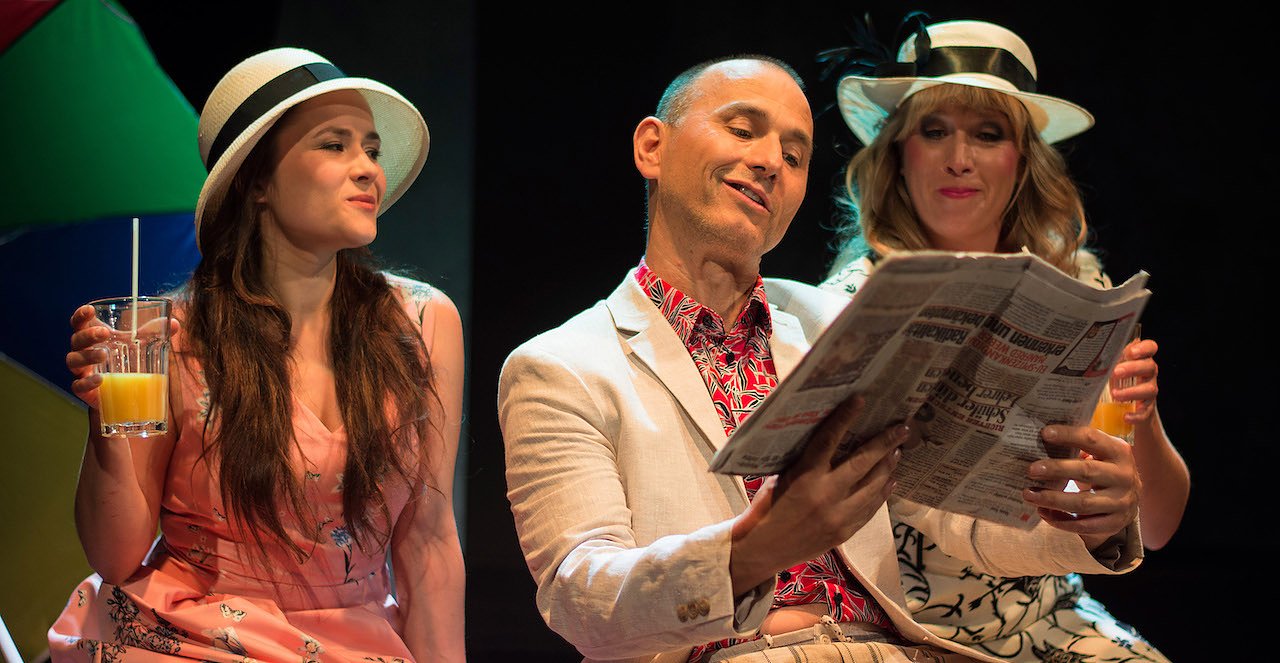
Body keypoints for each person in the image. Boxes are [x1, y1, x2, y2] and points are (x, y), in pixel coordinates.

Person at [498, 55, 1144, 663]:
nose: (769, 161)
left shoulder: (841, 323)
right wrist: (750, 553)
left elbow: (954, 519)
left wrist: (1085, 517)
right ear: (652, 147)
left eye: (794, 154)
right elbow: (582, 596)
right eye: (742, 129)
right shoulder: (562, 366)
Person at [49, 48, 465, 662]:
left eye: (372, 151)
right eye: (334, 145)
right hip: (189, 638)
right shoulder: (165, 334)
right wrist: (105, 412)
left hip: (356, 643)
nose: (366, 170)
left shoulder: (423, 322)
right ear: (258, 181)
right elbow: (116, 555)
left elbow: (428, 538)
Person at [816, 18, 1189, 662]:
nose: (959, 158)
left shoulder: (1078, 284)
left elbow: (1155, 529)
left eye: (988, 135)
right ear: (898, 155)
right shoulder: (851, 301)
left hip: (1052, 616)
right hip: (902, 629)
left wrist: (1140, 418)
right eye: (935, 131)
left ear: (1022, 162)